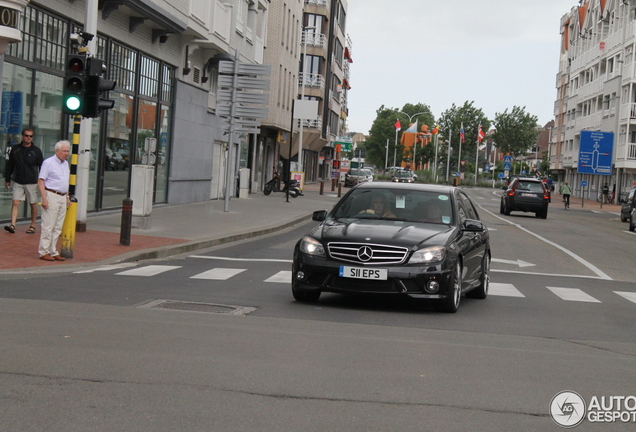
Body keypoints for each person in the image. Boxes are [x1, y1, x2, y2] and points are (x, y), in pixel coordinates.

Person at [4, 128, 44, 234]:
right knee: (15, 202)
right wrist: (7, 179)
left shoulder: (36, 151)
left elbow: (42, 166)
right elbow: (10, 165)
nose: (28, 138)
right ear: (22, 136)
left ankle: (32, 225)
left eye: (30, 136)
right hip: (18, 181)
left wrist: (42, 180)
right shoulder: (16, 149)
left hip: (31, 181)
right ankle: (13, 224)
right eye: (26, 135)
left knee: (32, 203)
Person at [37, 140, 71, 261]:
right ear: (57, 151)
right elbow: (41, 180)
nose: (66, 153)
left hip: (62, 196)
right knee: (48, 225)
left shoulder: (65, 164)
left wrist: (67, 196)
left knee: (58, 226)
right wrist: (44, 198)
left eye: (67, 151)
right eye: (64, 151)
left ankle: (53, 251)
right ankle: (43, 251)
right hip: (51, 194)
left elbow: (65, 181)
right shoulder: (48, 163)